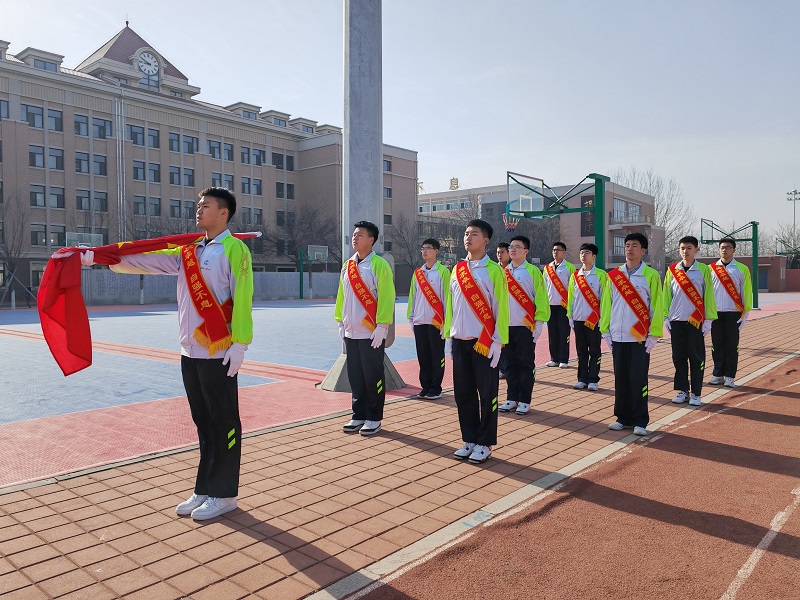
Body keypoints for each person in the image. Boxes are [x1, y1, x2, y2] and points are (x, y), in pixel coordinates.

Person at [81, 187, 254, 520]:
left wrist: (240, 344)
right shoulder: (189, 250)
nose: (198, 211)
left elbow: (243, 297)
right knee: (203, 423)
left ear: (224, 213)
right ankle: (205, 488)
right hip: (189, 350)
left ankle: (225, 493)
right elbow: (148, 260)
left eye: (205, 206)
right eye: (198, 206)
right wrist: (100, 258)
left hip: (219, 351)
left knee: (224, 423)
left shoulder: (235, 250)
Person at [445, 219, 509, 464]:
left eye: (474, 234)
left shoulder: (494, 270)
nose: (468, 237)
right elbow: (451, 304)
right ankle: (469, 438)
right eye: (466, 233)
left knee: (487, 395)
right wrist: (449, 336)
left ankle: (484, 442)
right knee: (464, 394)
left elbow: (501, 308)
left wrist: (498, 341)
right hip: (460, 341)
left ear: (486, 240)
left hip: (484, 343)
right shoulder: (457, 269)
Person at [335, 221, 396, 436]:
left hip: (372, 333)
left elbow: (387, 297)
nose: (355, 238)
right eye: (353, 234)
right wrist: (340, 322)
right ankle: (358, 414)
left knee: (373, 376)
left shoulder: (379, 265)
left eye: (359, 235)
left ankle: (373, 417)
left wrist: (382, 326)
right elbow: (341, 296)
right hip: (351, 331)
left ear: (371, 240)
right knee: (356, 376)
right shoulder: (347, 265)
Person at [601, 233, 663, 436]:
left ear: (643, 250)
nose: (629, 249)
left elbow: (656, 307)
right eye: (627, 245)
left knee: (638, 379)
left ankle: (639, 420)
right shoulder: (613, 276)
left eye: (634, 245)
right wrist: (606, 330)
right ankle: (622, 417)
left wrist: (653, 335)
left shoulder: (651, 275)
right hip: (617, 337)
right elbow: (607, 305)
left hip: (639, 338)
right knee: (621, 379)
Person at [497, 235, 549, 415]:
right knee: (508, 365)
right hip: (505, 327)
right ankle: (511, 398)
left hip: (526, 327)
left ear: (525, 251)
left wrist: (539, 322)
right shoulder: (501, 272)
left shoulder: (533, 271)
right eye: (511, 247)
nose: (512, 250)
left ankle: (524, 400)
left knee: (525, 364)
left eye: (517, 247)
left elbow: (541, 298)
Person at [663, 236, 717, 406]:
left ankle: (696, 393)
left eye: (689, 248)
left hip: (695, 321)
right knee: (678, 358)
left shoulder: (704, 270)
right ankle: (682, 390)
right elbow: (666, 295)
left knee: (696, 358)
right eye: (682, 248)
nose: (685, 252)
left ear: (696, 250)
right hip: (677, 321)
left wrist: (708, 319)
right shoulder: (672, 270)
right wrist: (666, 316)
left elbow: (708, 295)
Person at [407, 238, 451, 400]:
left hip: (436, 322)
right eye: (423, 248)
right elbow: (413, 296)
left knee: (436, 355)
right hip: (420, 321)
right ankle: (425, 387)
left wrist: (446, 323)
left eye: (428, 248)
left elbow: (447, 298)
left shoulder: (443, 272)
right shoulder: (418, 272)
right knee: (423, 356)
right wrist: (411, 318)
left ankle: (436, 387)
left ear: (436, 251)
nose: (424, 251)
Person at [566, 243, 611, 391]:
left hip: (594, 320)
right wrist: (570, 316)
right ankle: (581, 378)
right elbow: (571, 297)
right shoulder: (575, 276)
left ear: (594, 256)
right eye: (581, 253)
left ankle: (593, 379)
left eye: (587, 253)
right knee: (581, 351)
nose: (583, 256)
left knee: (594, 351)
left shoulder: (601, 275)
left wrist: (603, 320)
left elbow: (605, 300)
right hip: (578, 319)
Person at [708, 238, 752, 388]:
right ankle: (718, 374)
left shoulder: (741, 269)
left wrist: (745, 313)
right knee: (717, 345)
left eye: (727, 247)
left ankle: (730, 377)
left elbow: (746, 292)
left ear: (734, 250)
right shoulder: (710, 269)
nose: (724, 250)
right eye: (722, 247)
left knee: (732, 346)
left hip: (733, 313)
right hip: (715, 314)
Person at [544, 242, 575, 368]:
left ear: (564, 252)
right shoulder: (547, 268)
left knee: (563, 333)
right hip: (550, 305)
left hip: (564, 306)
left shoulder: (570, 267)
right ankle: (554, 358)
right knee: (552, 333)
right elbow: (545, 286)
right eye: (554, 250)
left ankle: (564, 359)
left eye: (558, 250)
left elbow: (573, 287)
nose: (555, 252)